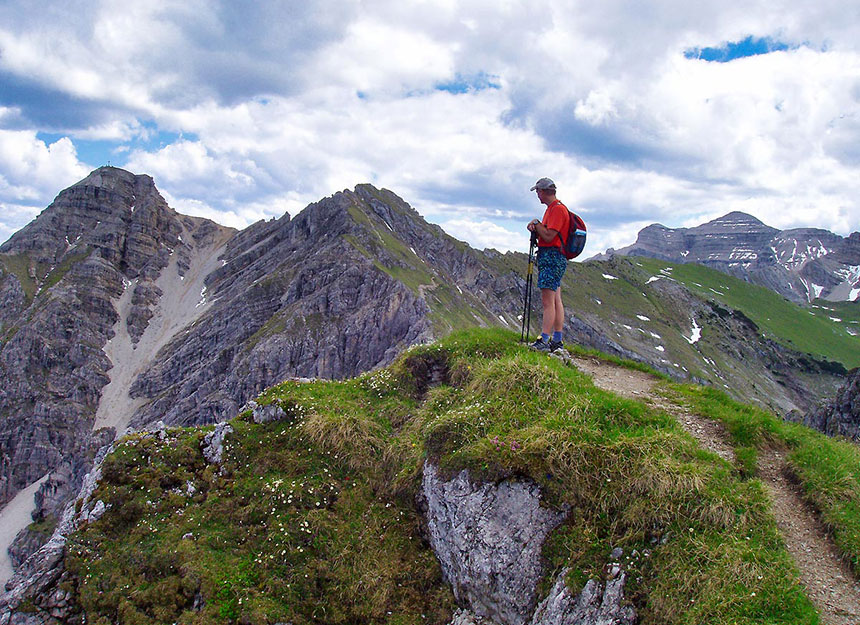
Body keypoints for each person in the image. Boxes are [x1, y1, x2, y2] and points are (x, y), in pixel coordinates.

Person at [526, 177, 569, 352]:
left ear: (542, 191)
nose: (537, 195)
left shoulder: (557, 210)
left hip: (551, 257)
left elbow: (550, 236)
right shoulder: (554, 209)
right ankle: (557, 339)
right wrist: (538, 226)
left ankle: (544, 339)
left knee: (548, 302)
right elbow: (549, 232)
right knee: (556, 299)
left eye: (537, 191)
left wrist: (537, 224)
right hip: (555, 257)